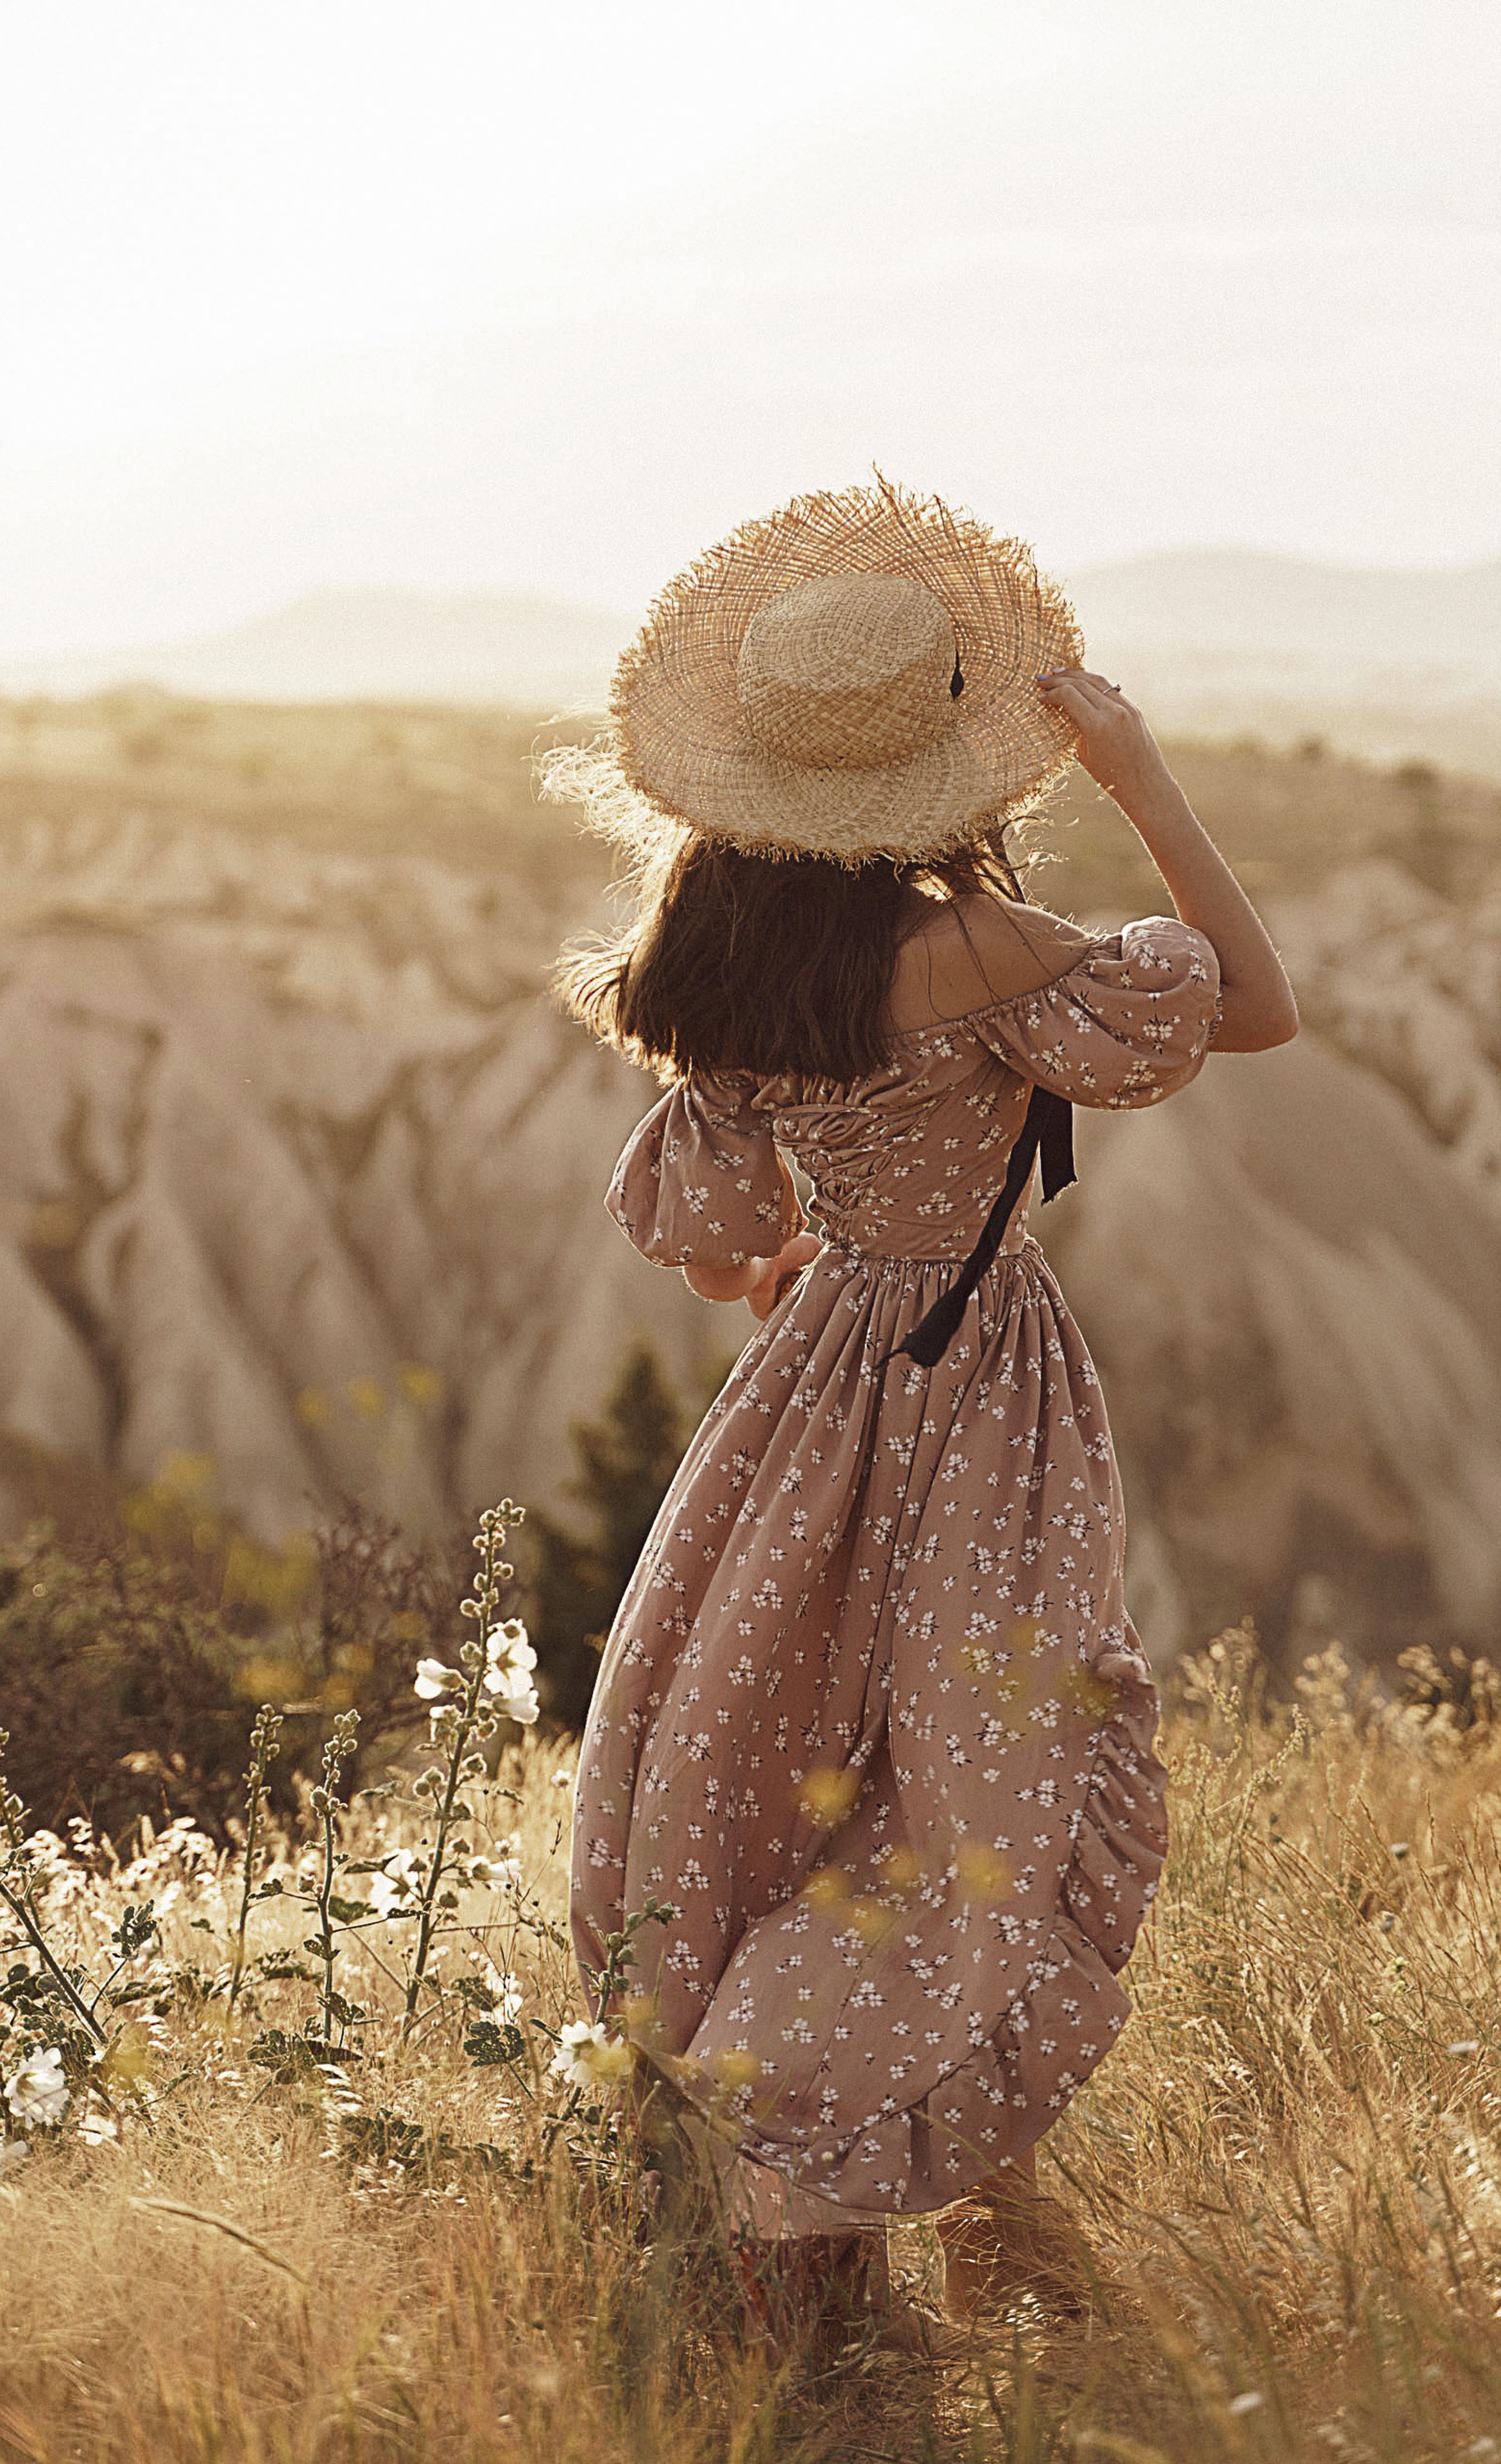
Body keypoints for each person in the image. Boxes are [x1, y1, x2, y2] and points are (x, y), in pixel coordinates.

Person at [551, 479, 1297, 2347]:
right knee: (980, 1787)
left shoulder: (717, 962)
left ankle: (819, 2228)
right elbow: (1257, 1009)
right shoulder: (972, 952)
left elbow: (724, 1238)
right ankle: (837, 2169)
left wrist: (827, 1267)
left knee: (764, 1757)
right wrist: (1136, 779)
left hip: (805, 1403)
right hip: (980, 1396)